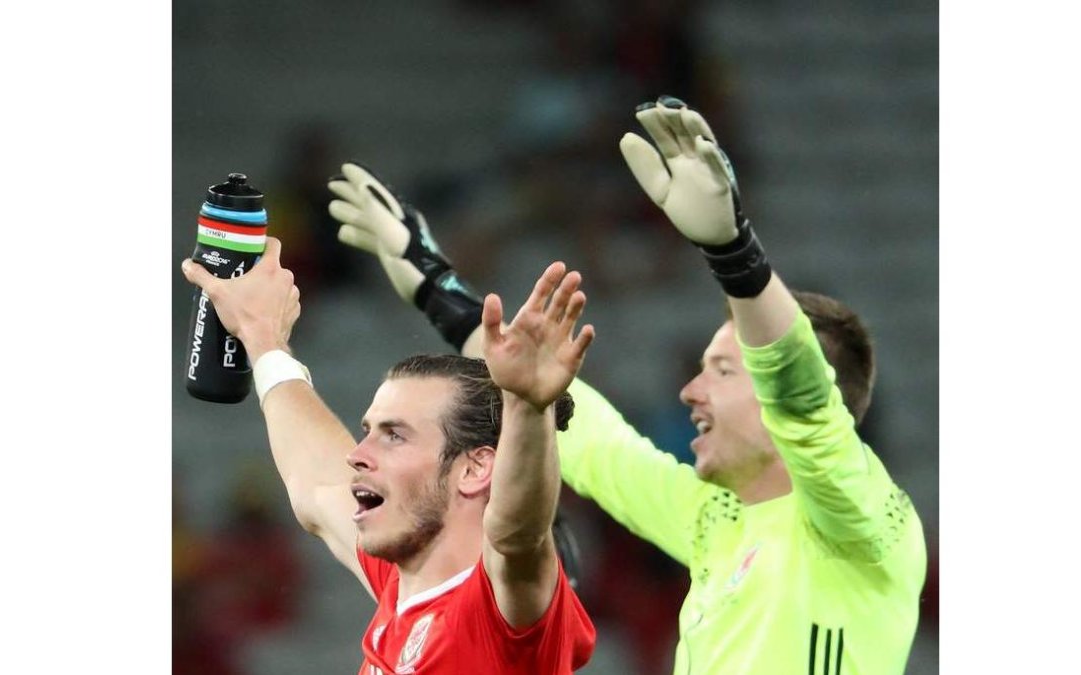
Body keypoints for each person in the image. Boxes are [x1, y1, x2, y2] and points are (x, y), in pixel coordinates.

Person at [326, 95, 927, 674]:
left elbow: (801, 394)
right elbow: (588, 435)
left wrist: (733, 251)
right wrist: (440, 292)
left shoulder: (860, 515)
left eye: (721, 370)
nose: (691, 391)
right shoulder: (715, 516)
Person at [180, 240, 598, 674]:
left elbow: (517, 536)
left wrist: (528, 408)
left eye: (394, 436)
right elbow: (315, 488)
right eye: (368, 432)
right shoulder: (403, 586)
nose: (357, 456)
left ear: (474, 469)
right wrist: (262, 338)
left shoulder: (497, 610)